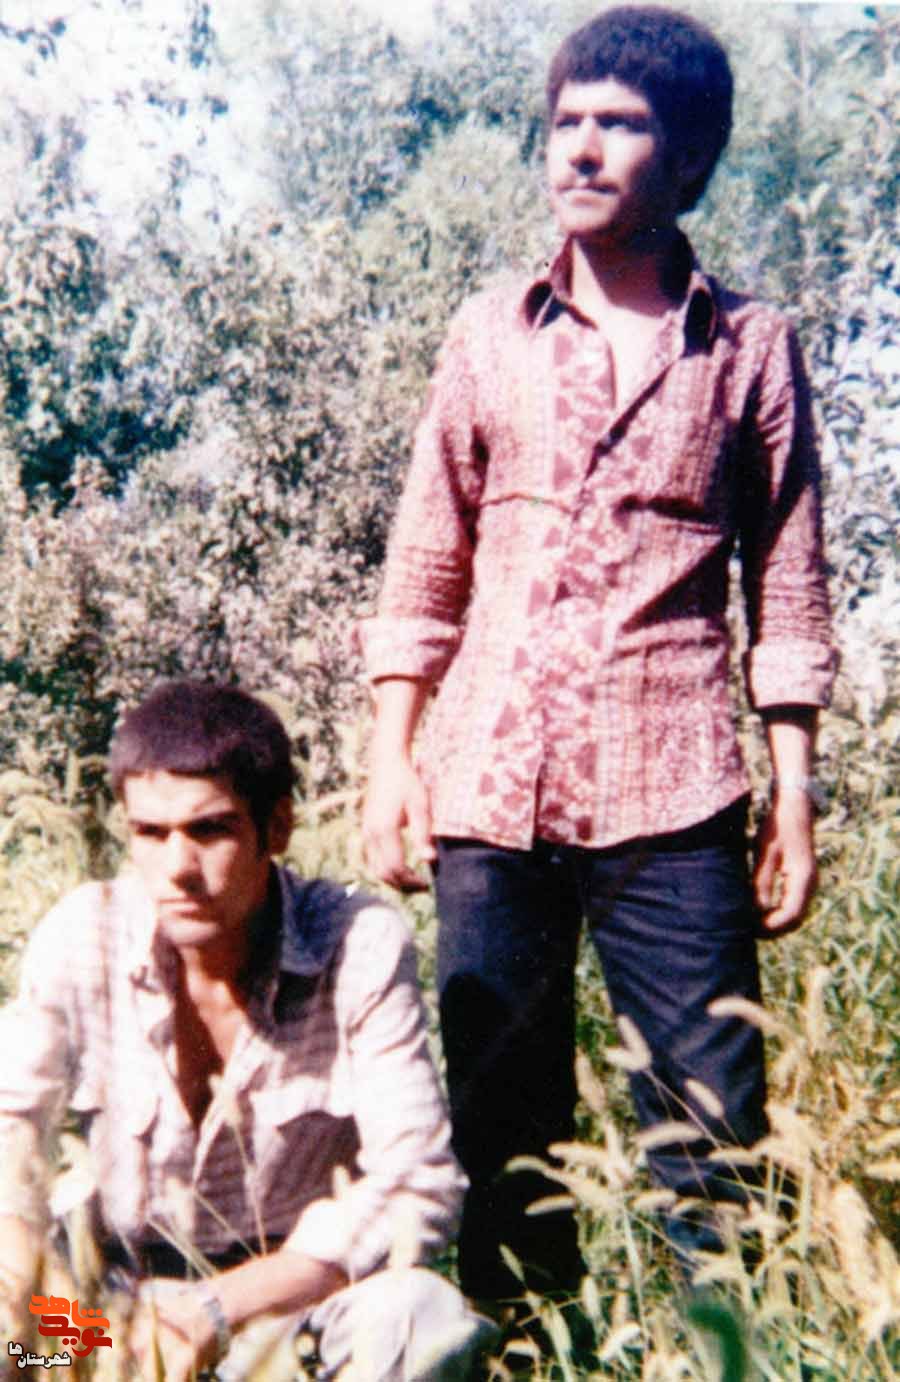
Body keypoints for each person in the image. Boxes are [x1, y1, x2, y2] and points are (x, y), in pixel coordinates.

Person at [360, 4, 837, 1311]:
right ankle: (521, 1350)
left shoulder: (751, 348)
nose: (579, 149)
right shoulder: (489, 334)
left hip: (675, 798)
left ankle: (717, 1349)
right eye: (565, 121)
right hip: (489, 793)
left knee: (712, 1139)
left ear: (688, 158)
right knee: (504, 1133)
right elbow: (427, 556)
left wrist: (794, 793)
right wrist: (393, 758)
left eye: (618, 125)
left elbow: (789, 581)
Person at [0, 681, 496, 1380]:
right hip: (103, 1322)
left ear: (278, 827)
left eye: (210, 830)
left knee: (421, 1320)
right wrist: (28, 1291)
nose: (178, 868)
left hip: (283, 1314)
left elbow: (418, 1182)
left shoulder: (357, 943)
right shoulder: (85, 932)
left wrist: (213, 1310)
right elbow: (10, 1132)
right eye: (150, 833)